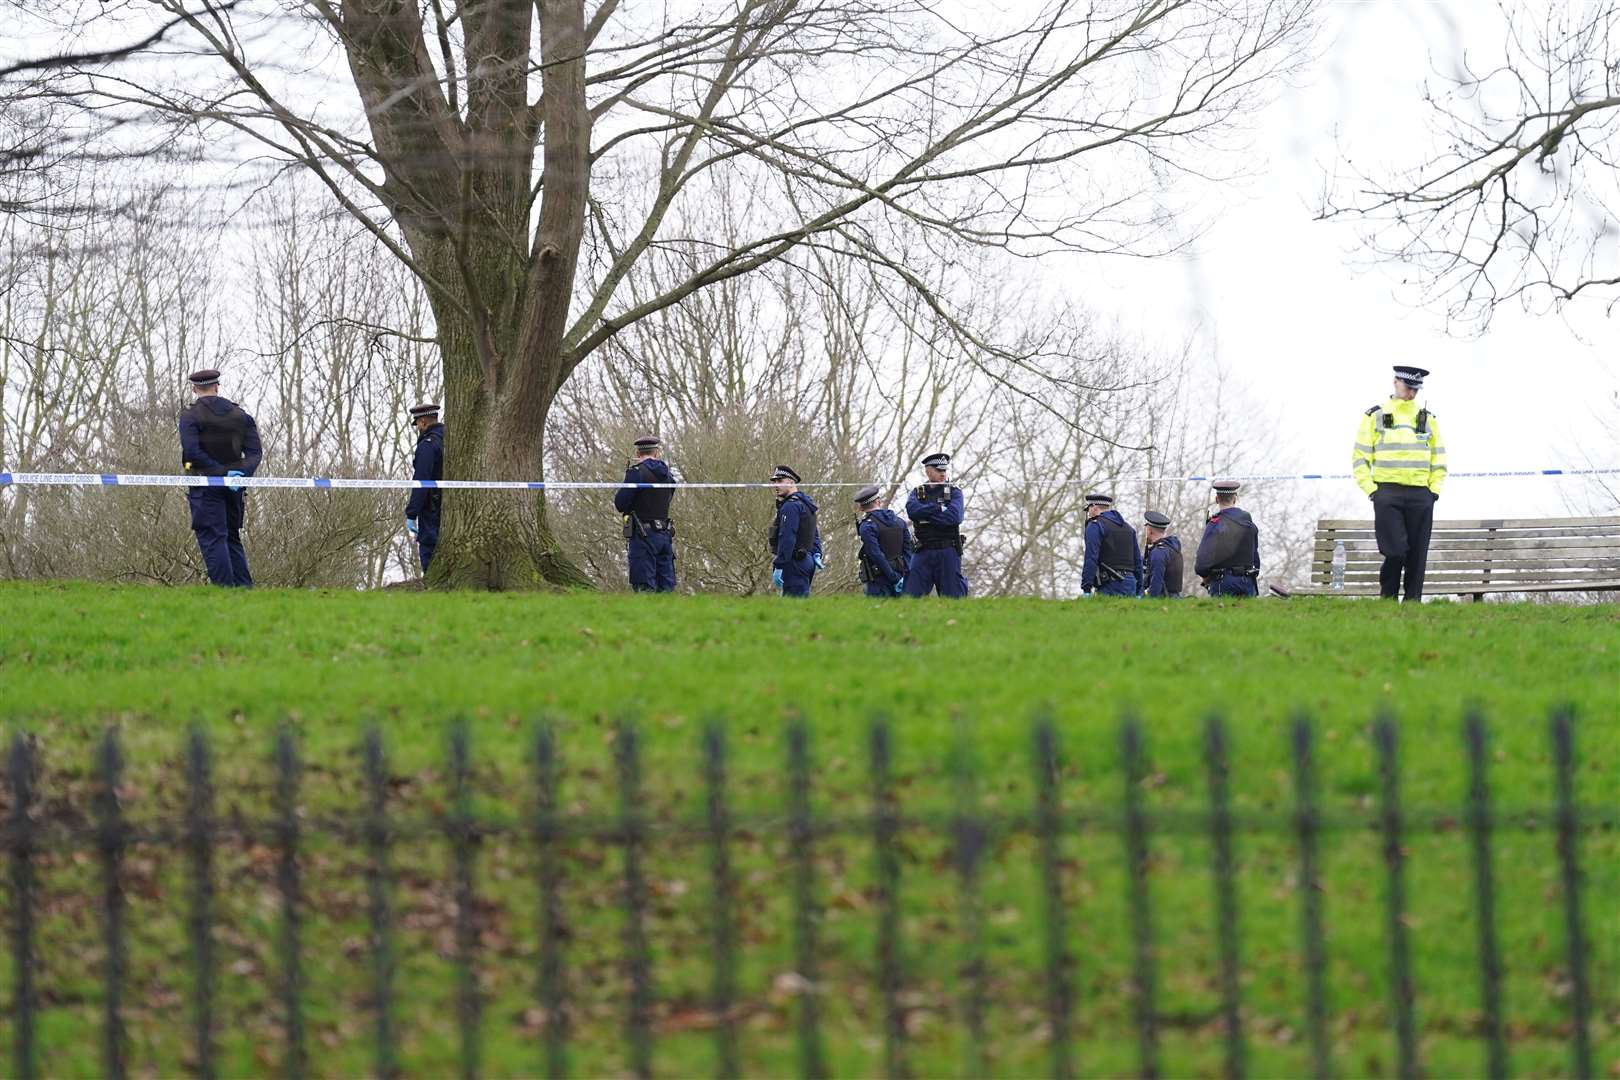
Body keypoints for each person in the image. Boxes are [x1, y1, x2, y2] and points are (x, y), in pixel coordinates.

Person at [1352, 365, 1447, 601]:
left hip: (1421, 495)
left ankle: (1413, 603)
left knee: (1417, 555)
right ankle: (1388, 598)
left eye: (1416, 389)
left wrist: (1433, 491)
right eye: (1408, 387)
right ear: (1396, 382)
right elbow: (1360, 457)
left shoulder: (1428, 418)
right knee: (1395, 552)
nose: (1412, 393)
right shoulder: (1375, 415)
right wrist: (1372, 490)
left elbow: (1439, 457)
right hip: (1387, 493)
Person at [178, 368, 261, 587]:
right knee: (232, 538)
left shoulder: (190, 417)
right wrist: (240, 476)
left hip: (205, 486)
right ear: (217, 386)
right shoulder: (240, 416)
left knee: (213, 538)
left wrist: (222, 475)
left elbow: (192, 453)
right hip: (233, 489)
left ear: (195, 389)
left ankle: (225, 592)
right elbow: (254, 453)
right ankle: (244, 590)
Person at [613, 435, 678, 592]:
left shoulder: (637, 473)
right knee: (666, 588)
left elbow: (620, 503)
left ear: (637, 453)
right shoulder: (668, 477)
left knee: (644, 587)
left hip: (643, 537)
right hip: (664, 535)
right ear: (656, 453)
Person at [904, 452, 969, 597]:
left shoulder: (954, 492)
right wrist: (939, 509)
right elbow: (912, 512)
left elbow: (954, 517)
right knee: (910, 597)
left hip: (948, 551)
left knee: (952, 598)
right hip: (923, 551)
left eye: (944, 470)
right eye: (939, 470)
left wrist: (925, 516)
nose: (943, 473)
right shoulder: (917, 492)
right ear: (928, 471)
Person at [1194, 480, 1261, 597]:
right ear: (1235, 498)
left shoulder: (1215, 524)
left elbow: (1202, 562)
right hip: (1248, 582)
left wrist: (1205, 576)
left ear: (1217, 499)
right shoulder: (1249, 524)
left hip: (1223, 583)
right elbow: (1255, 557)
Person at [403, 403, 445, 573]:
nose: (418, 428)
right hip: (446, 502)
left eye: (418, 424)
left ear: (423, 423)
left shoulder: (427, 445)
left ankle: (432, 584)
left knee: (429, 546)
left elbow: (421, 481)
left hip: (431, 505)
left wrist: (411, 513)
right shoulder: (449, 438)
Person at [768, 465, 821, 597]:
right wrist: (817, 553)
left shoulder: (790, 506)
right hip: (807, 560)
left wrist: (779, 564)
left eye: (780, 481)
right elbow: (815, 533)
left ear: (791, 482)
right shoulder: (806, 504)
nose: (776, 485)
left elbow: (787, 537)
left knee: (794, 608)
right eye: (775, 482)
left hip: (794, 562)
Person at [853, 484, 912, 597]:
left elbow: (876, 554)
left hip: (879, 579)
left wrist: (892, 577)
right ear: (878, 501)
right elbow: (908, 548)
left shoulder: (867, 526)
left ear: (860, 507)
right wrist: (906, 574)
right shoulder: (899, 522)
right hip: (902, 576)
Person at [1079, 492, 1142, 596]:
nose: (1089, 514)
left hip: (1109, 585)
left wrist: (1086, 587)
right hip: (1131, 585)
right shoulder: (1129, 528)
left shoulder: (1095, 526)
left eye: (1088, 510)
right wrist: (1139, 589)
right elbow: (1138, 560)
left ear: (1094, 508)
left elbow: (1091, 557)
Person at [1141, 510, 1184, 598]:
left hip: (1164, 599)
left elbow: (1156, 584)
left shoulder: (1158, 552)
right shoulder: (1171, 548)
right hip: (1174, 598)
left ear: (1149, 530)